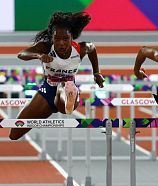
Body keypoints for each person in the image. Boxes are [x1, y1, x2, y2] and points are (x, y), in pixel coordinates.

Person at [9, 12, 104, 140]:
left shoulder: (81, 49)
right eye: (57, 39)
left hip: (69, 90)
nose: (61, 43)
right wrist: (39, 55)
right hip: (47, 90)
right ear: (52, 38)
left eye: (65, 39)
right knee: (15, 133)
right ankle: (58, 99)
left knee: (64, 86)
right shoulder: (46, 47)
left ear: (72, 38)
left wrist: (96, 73)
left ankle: (66, 97)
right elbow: (22, 54)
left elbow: (92, 49)